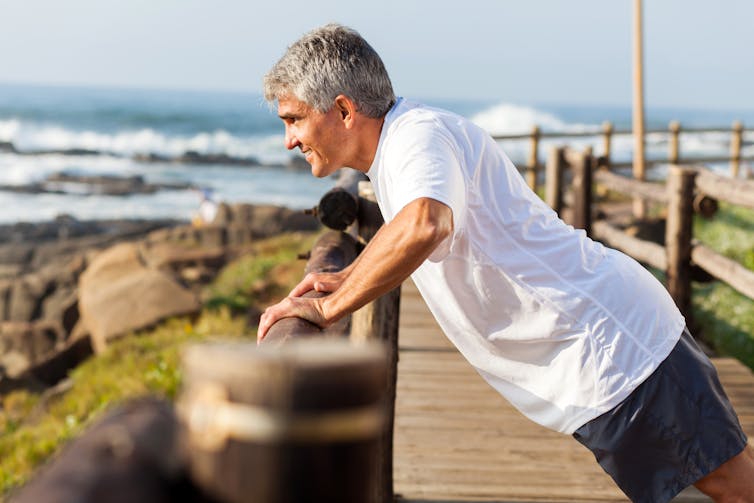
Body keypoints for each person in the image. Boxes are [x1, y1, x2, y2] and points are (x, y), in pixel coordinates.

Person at [257, 23, 754, 502]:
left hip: (613, 348)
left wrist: (329, 308)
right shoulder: (401, 147)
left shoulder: (415, 137)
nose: (289, 140)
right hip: (595, 354)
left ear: (343, 110)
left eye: (294, 119)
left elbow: (426, 223)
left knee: (735, 487)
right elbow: (416, 221)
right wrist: (348, 275)